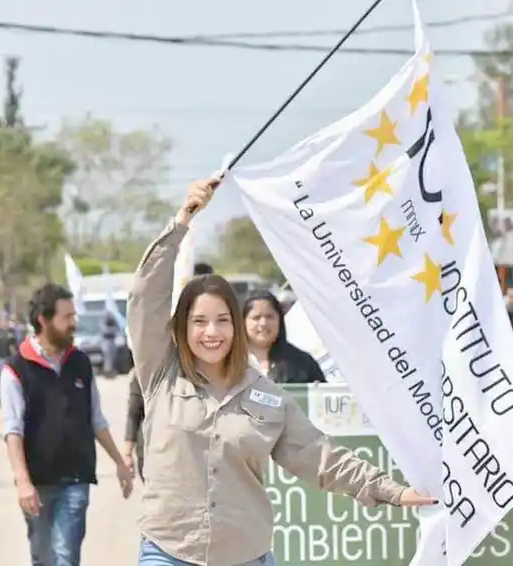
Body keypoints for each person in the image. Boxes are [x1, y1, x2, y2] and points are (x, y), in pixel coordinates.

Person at [127, 179, 436, 566]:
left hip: (245, 554)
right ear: (182, 327)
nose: (211, 332)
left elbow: (321, 458)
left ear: (236, 326)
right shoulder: (161, 372)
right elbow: (144, 297)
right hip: (168, 550)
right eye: (199, 321)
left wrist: (392, 491)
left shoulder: (268, 396)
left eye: (222, 320)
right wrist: (182, 220)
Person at [0, 282, 133, 566]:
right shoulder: (16, 369)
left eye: (74, 316)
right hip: (37, 482)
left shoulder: (81, 363)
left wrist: (120, 462)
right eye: (67, 317)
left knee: (65, 556)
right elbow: (13, 430)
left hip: (76, 478)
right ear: (43, 320)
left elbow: (96, 418)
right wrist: (23, 481)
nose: (74, 322)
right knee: (43, 556)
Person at [123, 260, 217, 483]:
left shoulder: (219, 363)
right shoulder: (152, 366)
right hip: (158, 461)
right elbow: (135, 410)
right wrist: (126, 452)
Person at [244, 290, 326, 384]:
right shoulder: (229, 361)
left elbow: (325, 395)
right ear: (243, 321)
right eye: (256, 317)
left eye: (269, 317)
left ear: (280, 320)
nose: (263, 323)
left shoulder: (302, 362)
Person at [0, 312, 19, 403]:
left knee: (10, 381)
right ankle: (1, 398)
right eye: (2, 320)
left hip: (8, 359)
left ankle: (9, 398)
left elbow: (15, 347)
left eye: (6, 320)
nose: (4, 322)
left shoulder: (12, 332)